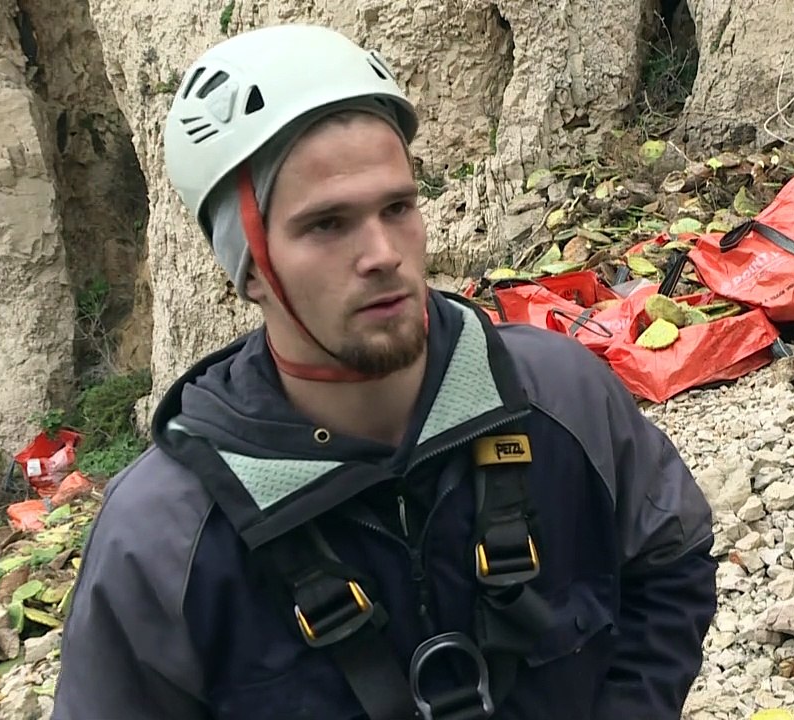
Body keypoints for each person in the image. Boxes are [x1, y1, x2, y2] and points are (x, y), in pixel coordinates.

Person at [51, 23, 717, 720]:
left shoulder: (556, 395)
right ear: (248, 266)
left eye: (397, 208)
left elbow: (671, 565)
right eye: (327, 225)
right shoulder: (161, 536)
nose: (382, 253)